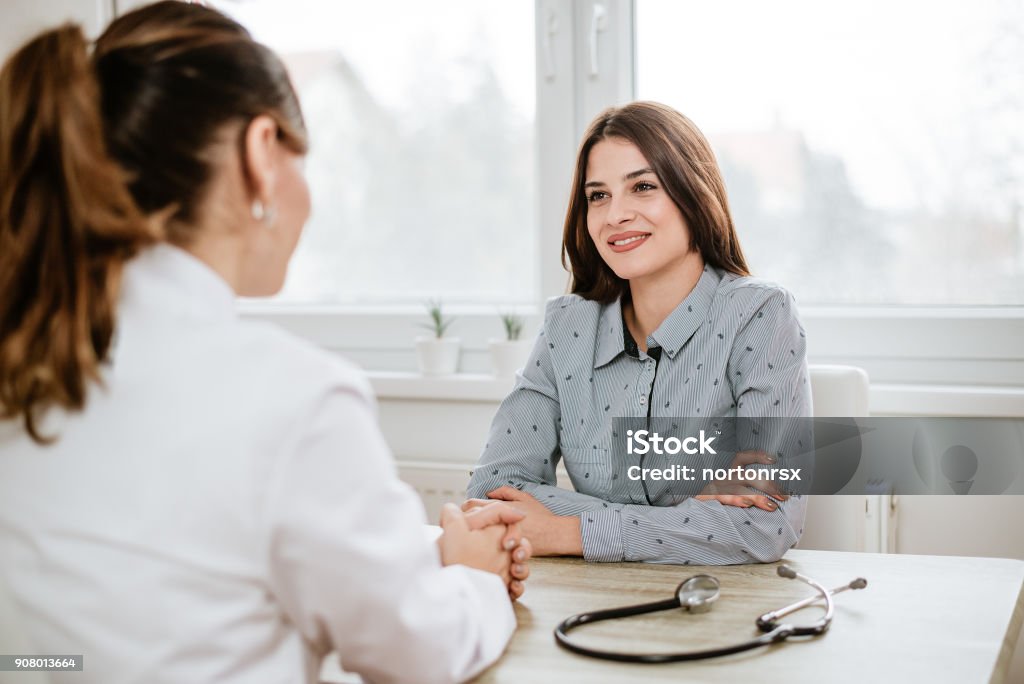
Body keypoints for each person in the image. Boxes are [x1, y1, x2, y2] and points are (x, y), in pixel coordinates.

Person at [0, 2, 530, 682]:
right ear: (260, 153)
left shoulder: (29, 365)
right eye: (301, 160)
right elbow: (419, 654)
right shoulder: (291, 398)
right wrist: (474, 579)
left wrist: (415, 559)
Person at [466, 101, 811, 565]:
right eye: (598, 196)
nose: (615, 215)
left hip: (723, 611)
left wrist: (569, 531)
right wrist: (685, 521)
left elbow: (768, 522)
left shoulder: (761, 315)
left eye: (643, 187)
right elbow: (492, 494)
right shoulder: (566, 327)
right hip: (595, 603)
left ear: (693, 193)